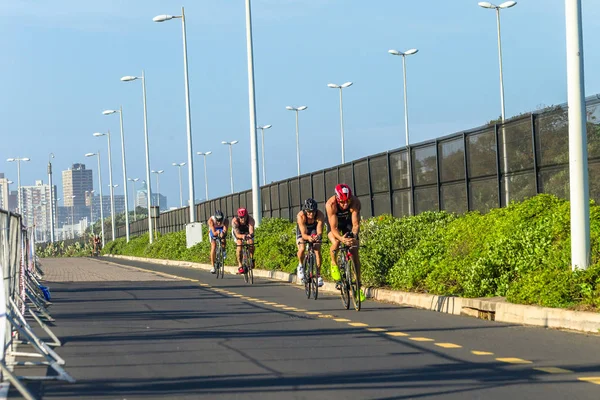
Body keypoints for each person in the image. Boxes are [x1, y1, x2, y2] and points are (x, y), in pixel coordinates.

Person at [325, 184, 362, 295]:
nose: (345, 204)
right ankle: (334, 263)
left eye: (347, 201)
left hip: (348, 222)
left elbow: (355, 224)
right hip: (335, 223)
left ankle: (358, 284)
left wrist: (353, 236)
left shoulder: (355, 202)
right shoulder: (331, 204)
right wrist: (342, 239)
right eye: (342, 202)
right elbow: (334, 228)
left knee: (354, 251)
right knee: (336, 242)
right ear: (337, 199)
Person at [296, 198, 325, 287]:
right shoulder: (301, 216)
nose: (311, 214)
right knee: (302, 248)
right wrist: (308, 238)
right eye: (309, 212)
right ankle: (300, 265)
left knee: (317, 249)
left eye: (313, 212)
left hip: (313, 230)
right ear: (305, 210)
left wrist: (318, 236)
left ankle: (318, 274)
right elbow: (304, 234)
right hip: (303, 232)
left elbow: (319, 230)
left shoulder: (320, 215)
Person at [232, 207, 255, 274]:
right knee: (239, 245)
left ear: (247, 215)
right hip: (238, 233)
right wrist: (242, 236)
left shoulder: (250, 219)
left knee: (251, 242)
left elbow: (251, 231)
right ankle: (240, 264)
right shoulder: (235, 221)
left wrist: (250, 235)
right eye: (241, 217)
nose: (243, 219)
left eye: (244, 217)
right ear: (238, 217)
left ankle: (251, 259)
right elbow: (237, 234)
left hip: (246, 231)